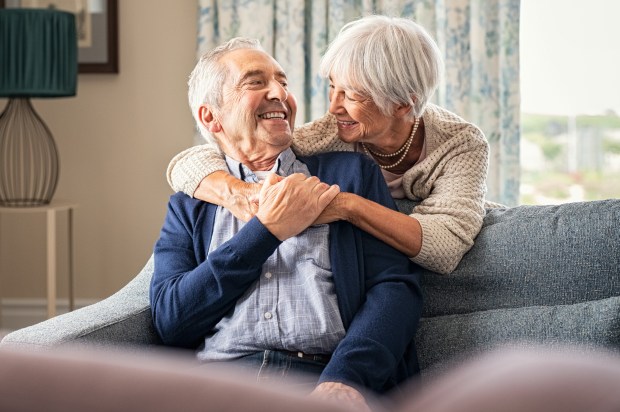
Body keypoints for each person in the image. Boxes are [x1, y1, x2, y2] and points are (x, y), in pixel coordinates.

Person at [150, 37, 423, 411]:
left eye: (282, 82)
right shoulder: (190, 204)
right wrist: (266, 232)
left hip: (322, 379)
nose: (279, 92)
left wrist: (346, 379)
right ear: (210, 117)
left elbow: (395, 290)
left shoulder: (349, 175)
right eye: (255, 82)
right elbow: (171, 321)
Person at [166, 15, 492, 275]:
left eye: (350, 95)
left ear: (402, 104)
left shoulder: (460, 144)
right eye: (332, 88)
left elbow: (445, 247)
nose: (334, 107)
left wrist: (346, 206)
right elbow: (193, 161)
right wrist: (240, 193)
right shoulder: (330, 132)